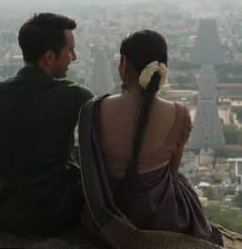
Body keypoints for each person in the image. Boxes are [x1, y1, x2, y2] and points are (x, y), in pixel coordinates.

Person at [77, 29, 223, 247]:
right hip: (161, 215)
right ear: (162, 69)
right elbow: (172, 172)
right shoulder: (179, 114)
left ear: (124, 65)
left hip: (106, 216)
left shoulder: (93, 110)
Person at [0, 12, 94, 237]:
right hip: (51, 215)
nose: (74, 57)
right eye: (70, 51)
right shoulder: (75, 96)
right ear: (49, 57)